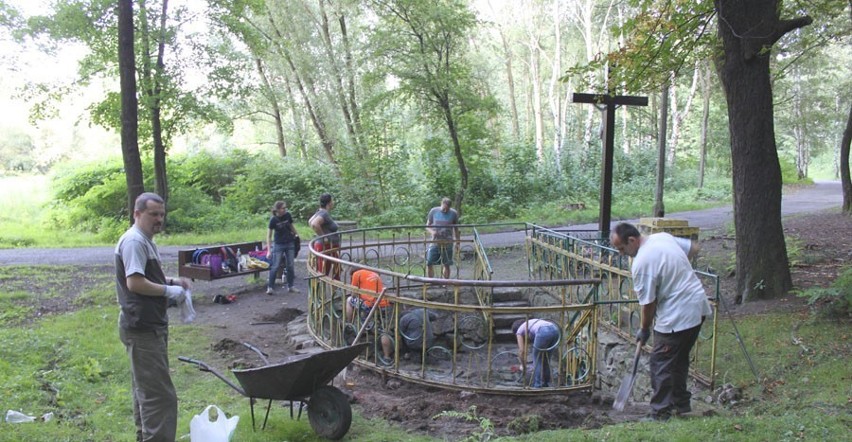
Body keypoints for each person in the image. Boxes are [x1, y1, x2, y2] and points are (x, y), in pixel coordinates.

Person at [610, 222, 711, 421]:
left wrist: (644, 329)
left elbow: (648, 304)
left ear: (632, 240)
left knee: (661, 363)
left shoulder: (642, 263)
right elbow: (693, 248)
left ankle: (660, 413)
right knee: (678, 359)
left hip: (677, 315)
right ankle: (681, 405)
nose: (621, 254)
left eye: (622, 249)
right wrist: (674, 271)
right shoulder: (662, 238)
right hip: (698, 307)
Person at [114, 192, 191, 442]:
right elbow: (135, 282)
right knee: (160, 398)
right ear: (137, 214)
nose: (159, 219)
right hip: (142, 328)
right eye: (153, 214)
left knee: (146, 393)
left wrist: (172, 281)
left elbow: (145, 276)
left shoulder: (145, 239)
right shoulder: (135, 241)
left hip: (148, 326)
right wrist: (170, 290)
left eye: (161, 214)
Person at [512, 318, 560, 388]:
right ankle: (547, 383)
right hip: (555, 330)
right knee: (546, 360)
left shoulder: (519, 331)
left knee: (537, 360)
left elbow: (522, 351)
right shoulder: (530, 323)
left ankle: (538, 385)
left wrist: (523, 365)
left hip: (543, 331)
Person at [266, 201, 299, 295]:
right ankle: (270, 287)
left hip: (289, 243)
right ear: (277, 210)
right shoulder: (273, 220)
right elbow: (268, 236)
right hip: (279, 244)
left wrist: (297, 235)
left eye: (285, 208)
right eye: (283, 208)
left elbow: (291, 226)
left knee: (290, 265)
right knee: (275, 266)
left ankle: (291, 286)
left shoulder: (287, 215)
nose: (285, 209)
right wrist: (269, 250)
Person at [425, 197, 460, 279]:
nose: (445, 211)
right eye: (444, 209)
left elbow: (456, 229)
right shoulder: (434, 211)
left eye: (447, 209)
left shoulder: (453, 213)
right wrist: (432, 232)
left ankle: (445, 282)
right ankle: (431, 281)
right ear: (441, 204)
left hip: (448, 242)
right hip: (435, 242)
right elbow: (427, 226)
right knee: (429, 262)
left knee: (446, 264)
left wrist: (458, 242)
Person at [309, 193, 340, 279]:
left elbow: (310, 221)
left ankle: (334, 289)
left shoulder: (320, 212)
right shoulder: (324, 213)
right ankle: (329, 289)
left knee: (332, 269)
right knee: (323, 272)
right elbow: (314, 223)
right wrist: (324, 237)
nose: (333, 202)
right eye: (332, 200)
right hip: (326, 246)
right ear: (329, 202)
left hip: (329, 247)